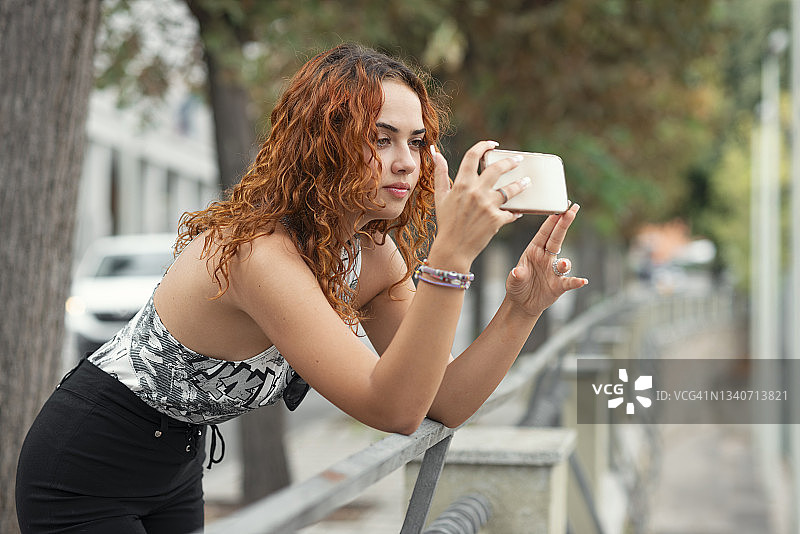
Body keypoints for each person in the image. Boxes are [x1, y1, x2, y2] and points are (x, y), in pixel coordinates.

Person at [15, 42, 587, 533]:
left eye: (416, 142)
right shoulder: (259, 253)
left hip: (177, 464)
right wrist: (451, 256)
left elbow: (441, 400)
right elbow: (392, 409)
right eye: (381, 139)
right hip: (85, 465)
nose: (405, 163)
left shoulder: (371, 255)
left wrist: (521, 309)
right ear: (325, 142)